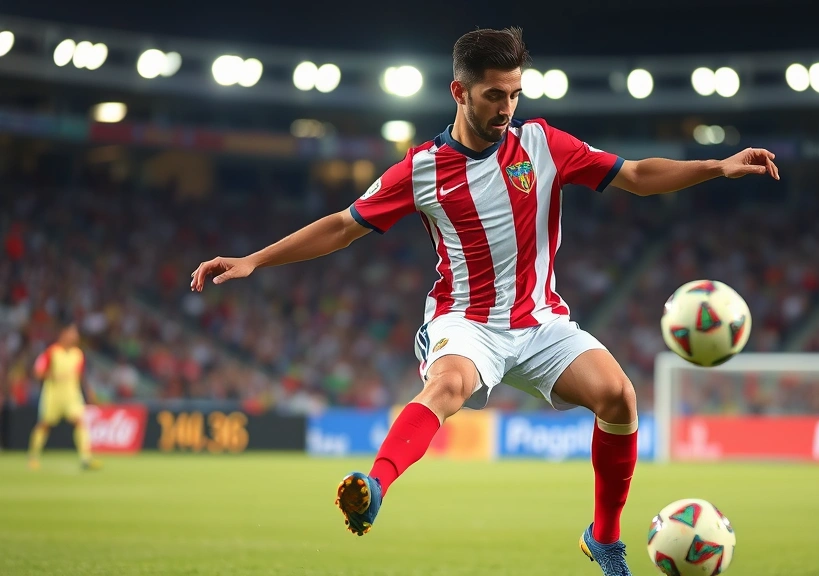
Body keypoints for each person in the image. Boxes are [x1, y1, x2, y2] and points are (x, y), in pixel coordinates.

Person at [190, 26, 778, 576]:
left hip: (541, 321)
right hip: (466, 321)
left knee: (620, 397)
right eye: (494, 95)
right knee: (446, 386)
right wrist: (255, 259)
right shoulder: (421, 169)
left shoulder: (545, 145)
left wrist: (715, 166)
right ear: (459, 91)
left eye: (515, 94)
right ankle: (372, 489)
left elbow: (637, 175)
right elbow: (343, 227)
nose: (506, 108)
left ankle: (603, 536)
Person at [28, 322, 102, 471]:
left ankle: (86, 459)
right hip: (53, 395)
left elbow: (81, 376)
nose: (75, 336)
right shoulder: (51, 352)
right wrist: (52, 375)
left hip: (72, 396)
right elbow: (38, 372)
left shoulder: (78, 354)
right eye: (72, 332)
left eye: (76, 333)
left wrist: (88, 392)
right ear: (63, 333)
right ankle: (33, 457)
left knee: (80, 422)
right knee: (45, 425)